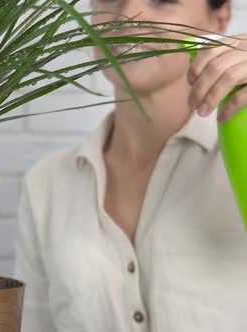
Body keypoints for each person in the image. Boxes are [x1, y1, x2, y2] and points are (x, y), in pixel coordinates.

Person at [14, 0, 247, 331]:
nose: (127, 16)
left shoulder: (237, 161)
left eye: (163, 1)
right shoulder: (46, 185)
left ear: (218, 19)